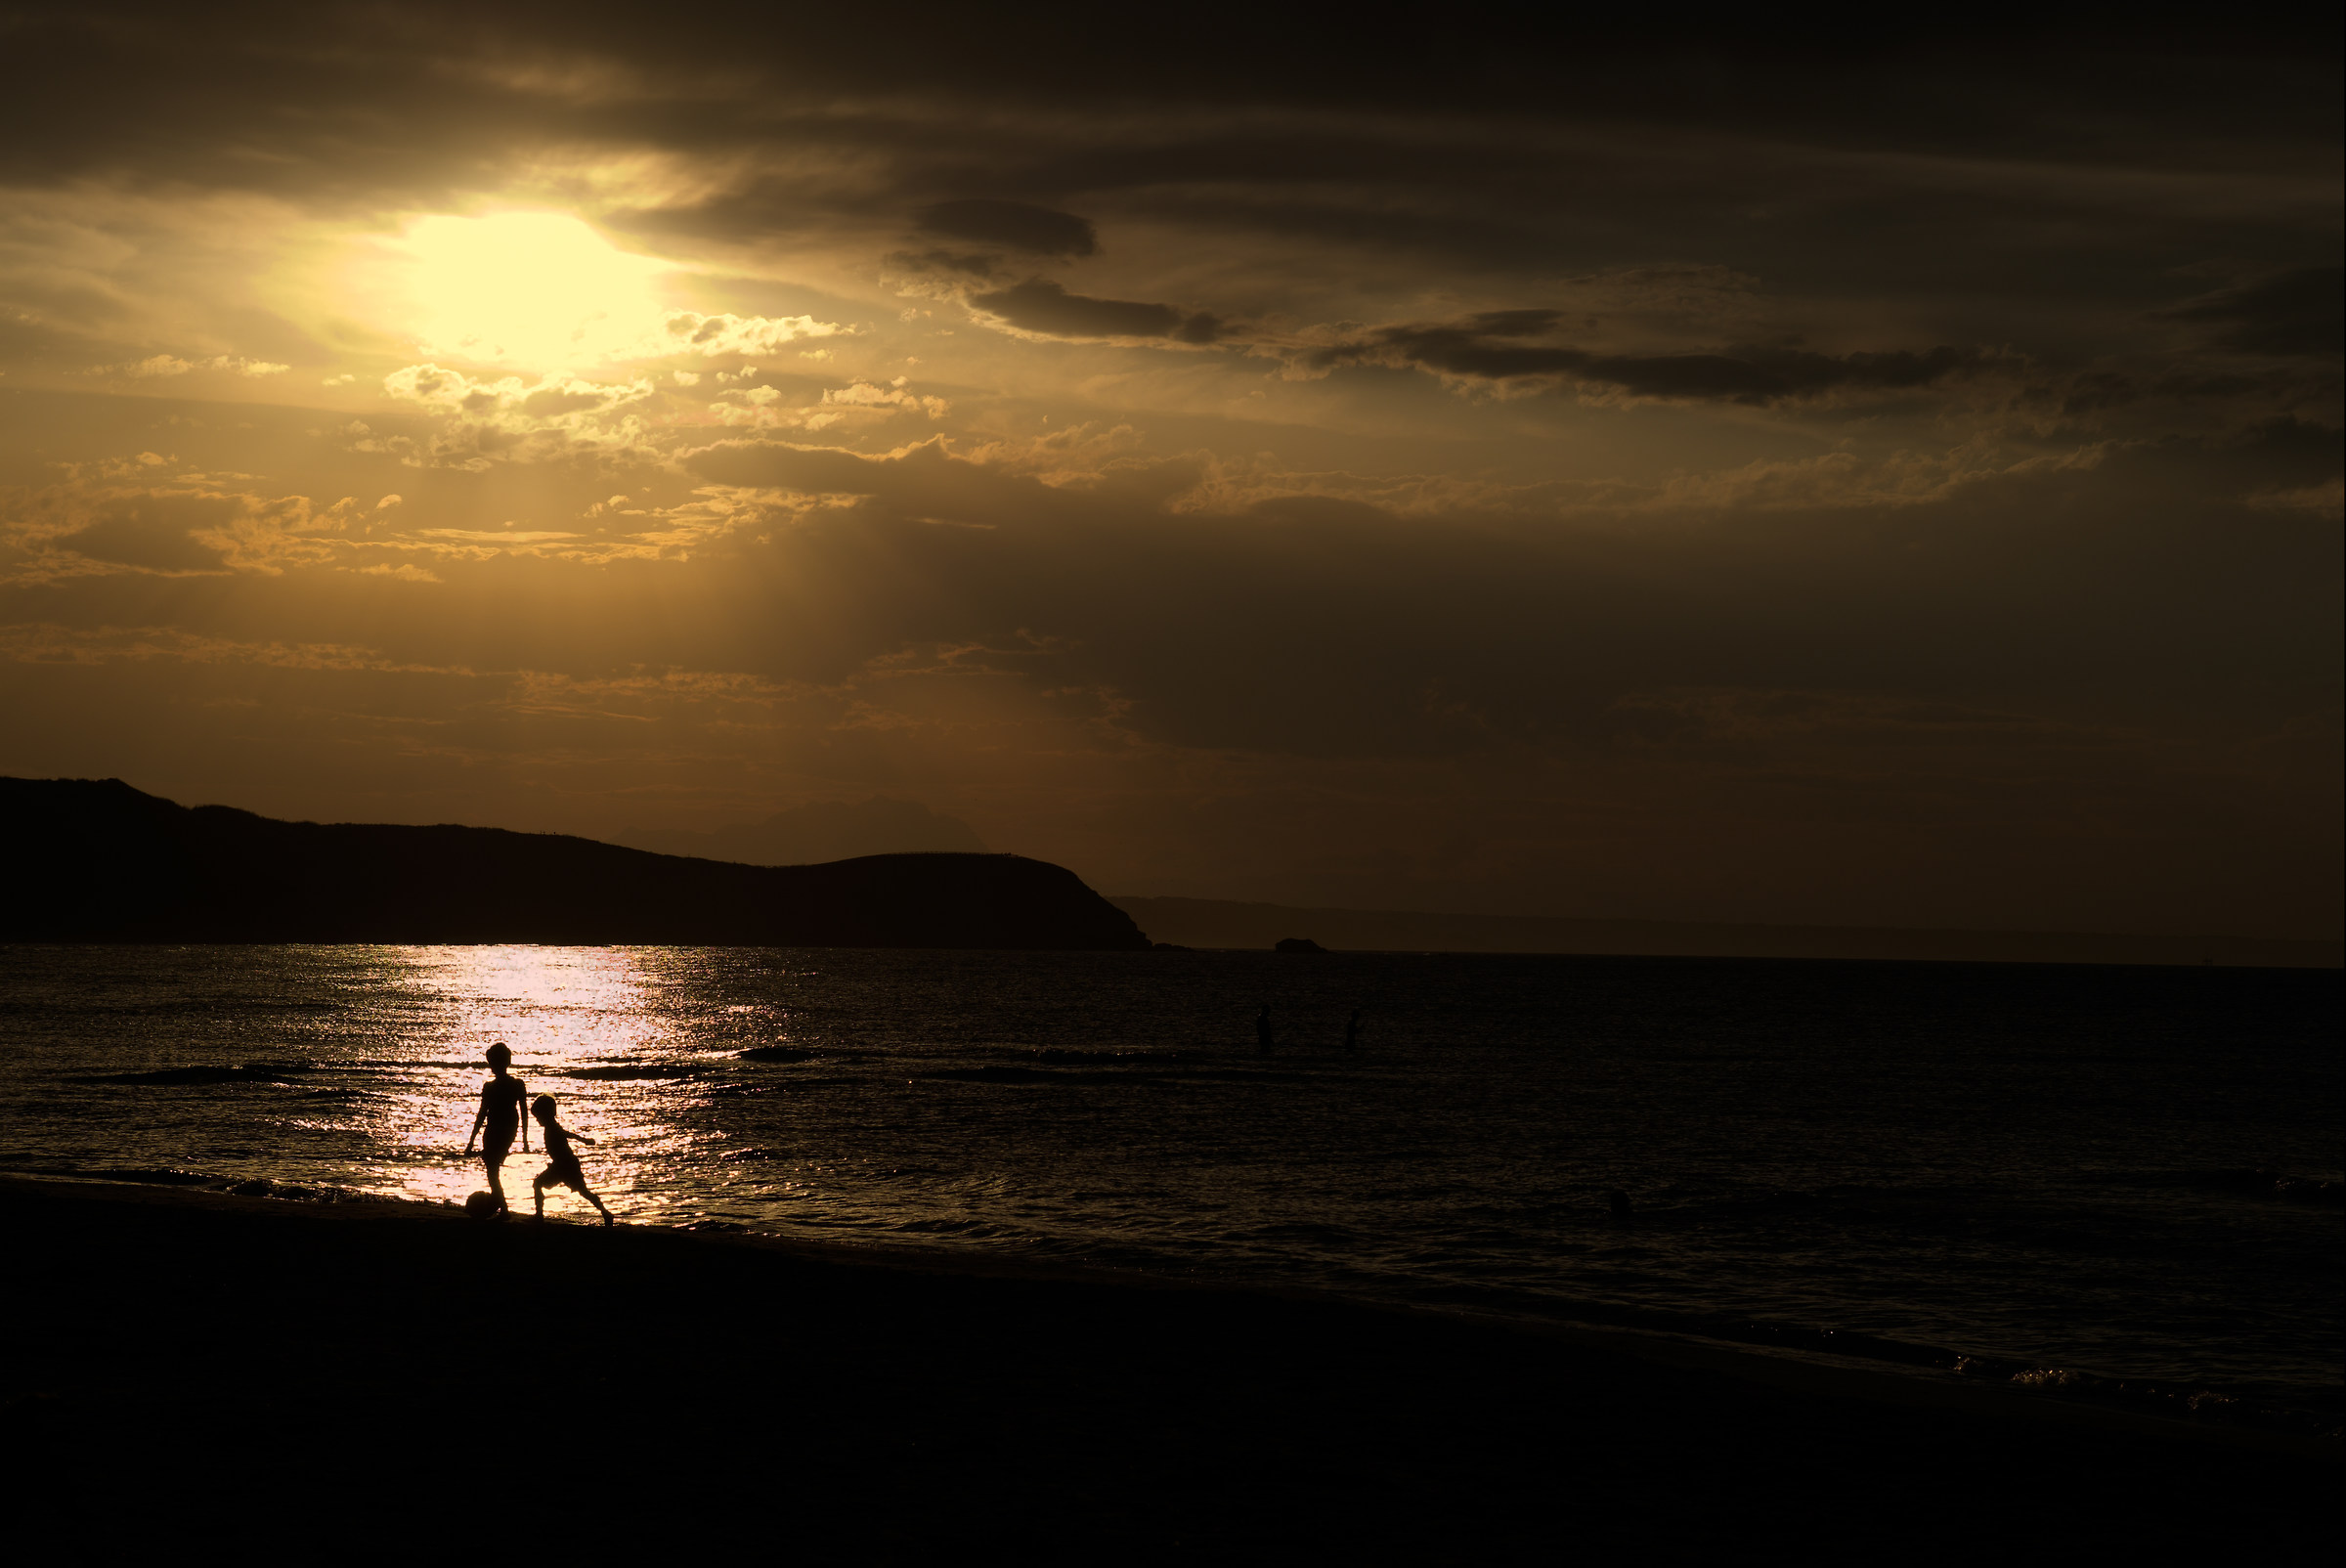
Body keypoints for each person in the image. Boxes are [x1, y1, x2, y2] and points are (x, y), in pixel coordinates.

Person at [461, 1042, 528, 1212]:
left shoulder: (492, 1087)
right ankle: (499, 1205)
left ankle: (502, 1207)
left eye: (491, 1062)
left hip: (497, 1131)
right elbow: (523, 1113)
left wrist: (471, 1141)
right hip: (506, 1129)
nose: (490, 1066)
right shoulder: (516, 1084)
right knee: (493, 1170)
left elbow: (482, 1114)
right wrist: (524, 1139)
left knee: (492, 1172)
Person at [531, 1094, 612, 1226]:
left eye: (538, 1117)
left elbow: (567, 1134)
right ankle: (606, 1213)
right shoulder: (550, 1127)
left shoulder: (552, 1128)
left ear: (546, 1114)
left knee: (539, 1184)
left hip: (565, 1165)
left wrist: (584, 1140)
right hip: (562, 1164)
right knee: (583, 1191)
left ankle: (539, 1216)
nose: (537, 1120)